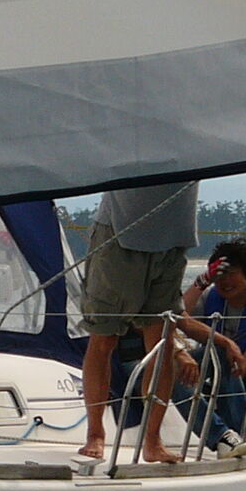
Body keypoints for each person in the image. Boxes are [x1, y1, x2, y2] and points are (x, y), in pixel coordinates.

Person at [78, 180, 198, 463]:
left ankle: (152, 440)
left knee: (161, 343)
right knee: (104, 337)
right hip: (121, 234)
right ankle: (95, 433)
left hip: (174, 236)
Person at [176, 238, 246, 447]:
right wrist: (202, 281)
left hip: (243, 374)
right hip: (212, 368)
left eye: (231, 273)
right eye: (219, 275)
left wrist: (227, 352)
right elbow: (179, 315)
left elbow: (245, 363)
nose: (224, 281)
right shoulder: (208, 298)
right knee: (212, 353)